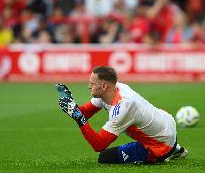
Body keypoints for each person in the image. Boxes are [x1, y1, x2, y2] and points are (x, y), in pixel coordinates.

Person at [55, 66, 188, 164]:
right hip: (168, 124)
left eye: (92, 83)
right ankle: (174, 148)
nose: (88, 86)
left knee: (105, 158)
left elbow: (99, 145)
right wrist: (71, 105)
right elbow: (84, 113)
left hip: (159, 146)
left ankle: (165, 153)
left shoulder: (123, 107)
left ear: (104, 86)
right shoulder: (115, 88)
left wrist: (78, 117)